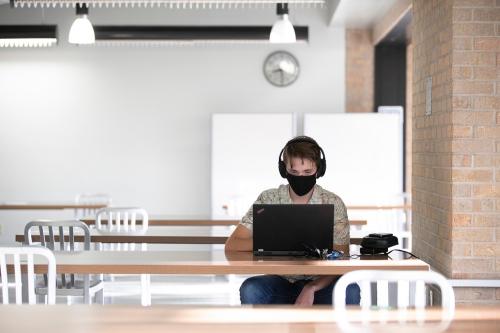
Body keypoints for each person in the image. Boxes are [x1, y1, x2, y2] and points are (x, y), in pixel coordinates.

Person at [224, 136, 360, 306]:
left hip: (320, 284)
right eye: (294, 172)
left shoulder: (333, 202)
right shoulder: (269, 198)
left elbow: (341, 258)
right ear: (284, 170)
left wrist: (311, 287)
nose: (300, 177)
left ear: (319, 170)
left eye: (307, 172)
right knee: (251, 288)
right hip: (282, 281)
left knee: (350, 290)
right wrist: (275, 242)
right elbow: (233, 245)